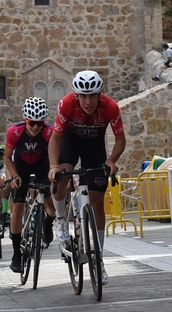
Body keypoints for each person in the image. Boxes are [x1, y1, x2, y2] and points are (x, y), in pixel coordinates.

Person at [48, 71, 126, 286]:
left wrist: (112, 160)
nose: (88, 101)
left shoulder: (110, 107)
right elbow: (55, 138)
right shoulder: (66, 104)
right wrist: (53, 166)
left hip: (94, 148)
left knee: (97, 201)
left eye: (93, 96)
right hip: (69, 144)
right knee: (61, 177)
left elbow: (120, 139)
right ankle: (61, 219)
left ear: (100, 95)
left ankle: (98, 258)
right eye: (83, 96)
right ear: (76, 95)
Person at [5, 97, 56, 273]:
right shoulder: (14, 132)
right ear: (25, 119)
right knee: (18, 208)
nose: (35, 127)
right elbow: (7, 157)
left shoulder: (49, 132)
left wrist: (53, 171)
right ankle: (16, 254)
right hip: (22, 166)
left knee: (51, 205)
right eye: (31, 123)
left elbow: (56, 154)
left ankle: (48, 223)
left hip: (42, 164)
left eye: (39, 123)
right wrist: (15, 176)